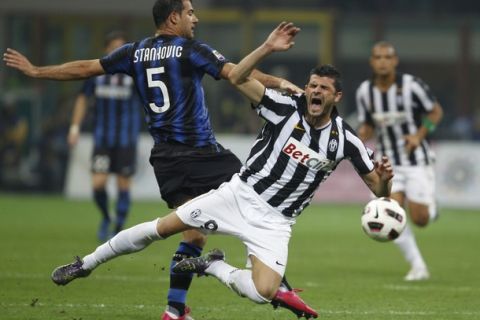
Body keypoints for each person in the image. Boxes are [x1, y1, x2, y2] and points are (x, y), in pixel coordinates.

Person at [44, 21, 393, 318]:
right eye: (312, 85)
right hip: (238, 196)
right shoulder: (285, 107)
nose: (315, 91)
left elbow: (378, 191)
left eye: (323, 89)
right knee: (161, 229)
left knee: (264, 292)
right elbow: (237, 77)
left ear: (337, 97)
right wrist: (267, 48)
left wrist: (386, 183)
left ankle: (211, 265)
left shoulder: (346, 140)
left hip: (276, 223)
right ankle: (85, 264)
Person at [3, 1, 317, 319]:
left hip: (166, 159)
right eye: (190, 12)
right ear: (173, 17)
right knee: (257, 199)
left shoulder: (134, 52)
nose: (195, 18)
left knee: (192, 234)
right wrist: (278, 83)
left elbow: (86, 68)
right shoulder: (188, 50)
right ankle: (279, 286)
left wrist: (36, 71)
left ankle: (169, 306)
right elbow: (237, 74)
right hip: (201, 153)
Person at [355, 41, 443, 281]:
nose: (382, 61)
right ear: (372, 62)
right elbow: (368, 125)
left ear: (395, 61)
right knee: (391, 212)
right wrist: (359, 137)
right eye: (378, 57)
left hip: (416, 160)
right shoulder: (365, 91)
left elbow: (435, 112)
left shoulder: (412, 86)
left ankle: (431, 208)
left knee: (420, 219)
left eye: (387, 57)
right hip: (388, 164)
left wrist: (418, 136)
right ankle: (418, 266)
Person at [68, 31, 142, 241]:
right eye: (114, 47)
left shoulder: (134, 73)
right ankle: (106, 216)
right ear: (106, 50)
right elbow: (83, 99)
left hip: (127, 139)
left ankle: (118, 226)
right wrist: (74, 127)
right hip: (102, 138)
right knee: (98, 184)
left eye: (122, 47)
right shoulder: (97, 74)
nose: (119, 51)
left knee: (123, 184)